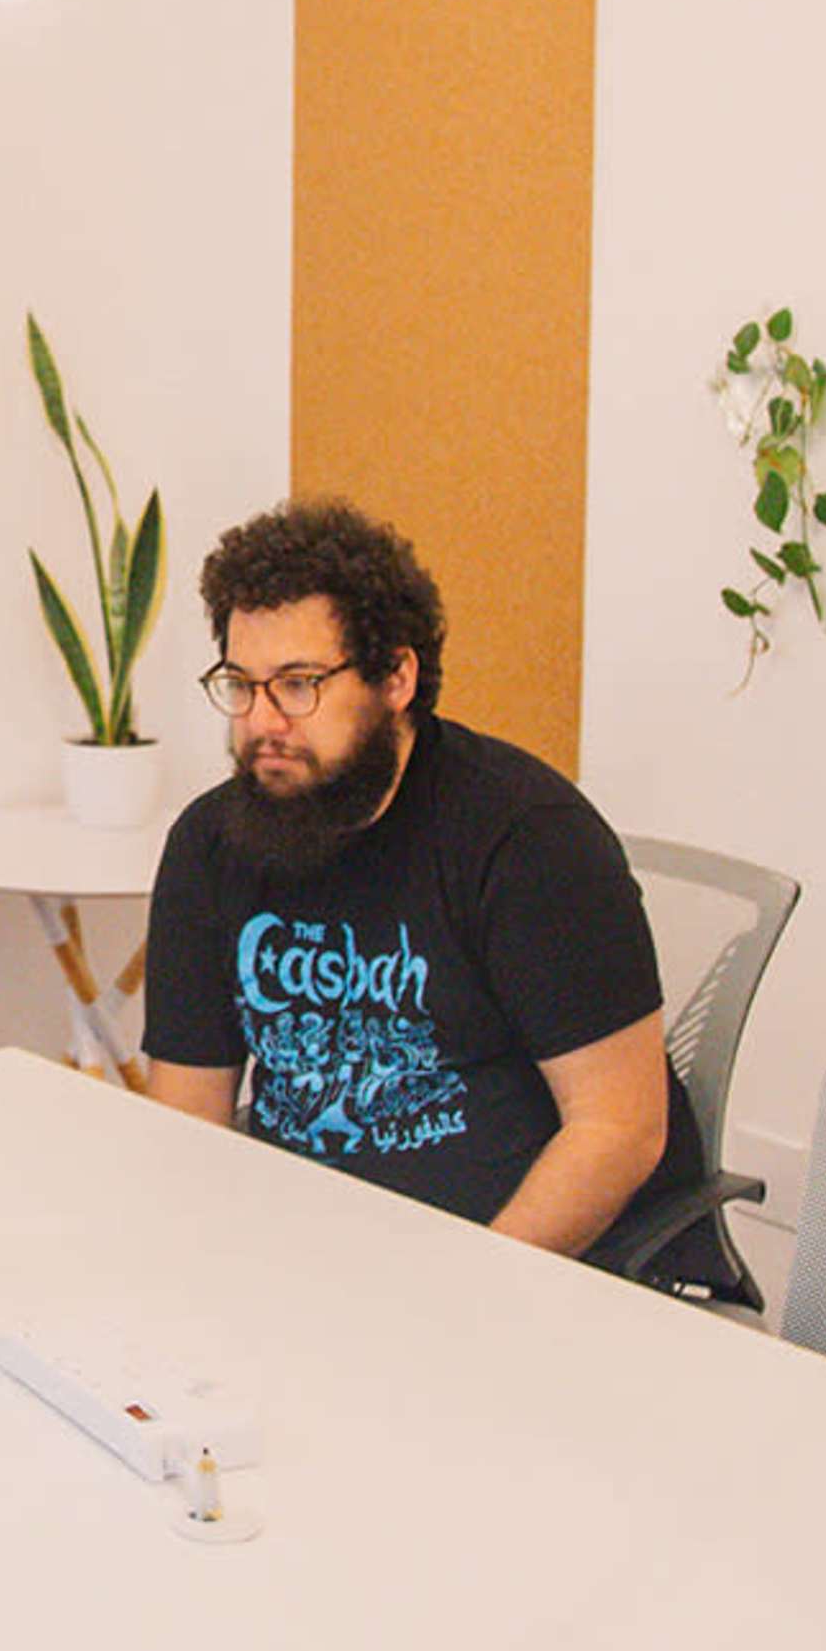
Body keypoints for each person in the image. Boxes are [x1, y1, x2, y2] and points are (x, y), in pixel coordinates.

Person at [138, 498, 700, 1261]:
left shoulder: (527, 838)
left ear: (396, 675)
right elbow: (187, 1123)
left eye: (299, 684)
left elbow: (621, 1131)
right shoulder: (210, 845)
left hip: (529, 1268)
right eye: (241, 684)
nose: (261, 722)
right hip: (318, 1261)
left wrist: (467, 1294)